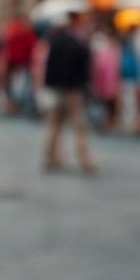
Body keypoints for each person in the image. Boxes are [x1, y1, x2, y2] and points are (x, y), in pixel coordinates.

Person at [43, 11, 97, 173]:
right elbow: (84, 69)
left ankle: (50, 158)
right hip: (73, 91)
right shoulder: (78, 43)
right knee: (79, 126)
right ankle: (85, 161)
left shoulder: (57, 41)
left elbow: (49, 67)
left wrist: (50, 86)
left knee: (54, 126)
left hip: (58, 89)